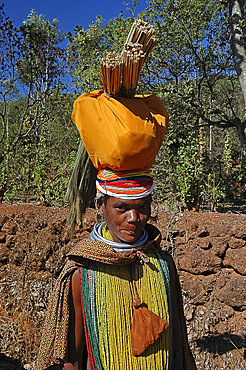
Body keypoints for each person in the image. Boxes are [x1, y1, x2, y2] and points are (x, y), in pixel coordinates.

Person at [37, 170, 197, 370]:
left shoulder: (164, 265)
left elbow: (177, 342)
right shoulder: (82, 272)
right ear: (100, 206)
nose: (133, 218)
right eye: (121, 208)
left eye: (142, 207)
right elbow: (73, 355)